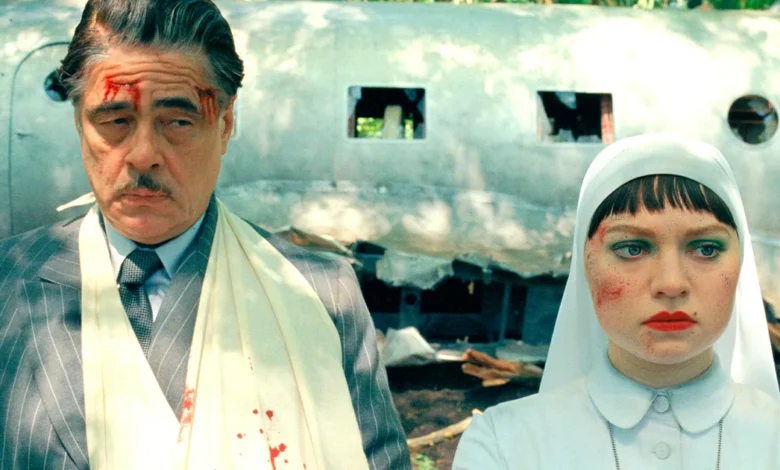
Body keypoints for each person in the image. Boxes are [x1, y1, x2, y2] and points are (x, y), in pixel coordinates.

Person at [0, 1, 411, 469]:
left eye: (177, 121)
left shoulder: (318, 293)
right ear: (80, 122)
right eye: (115, 120)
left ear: (225, 124)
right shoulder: (8, 285)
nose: (143, 155)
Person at [452, 134, 780, 469]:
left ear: (741, 262)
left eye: (706, 249)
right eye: (632, 248)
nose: (671, 284)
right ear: (586, 264)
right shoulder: (504, 444)